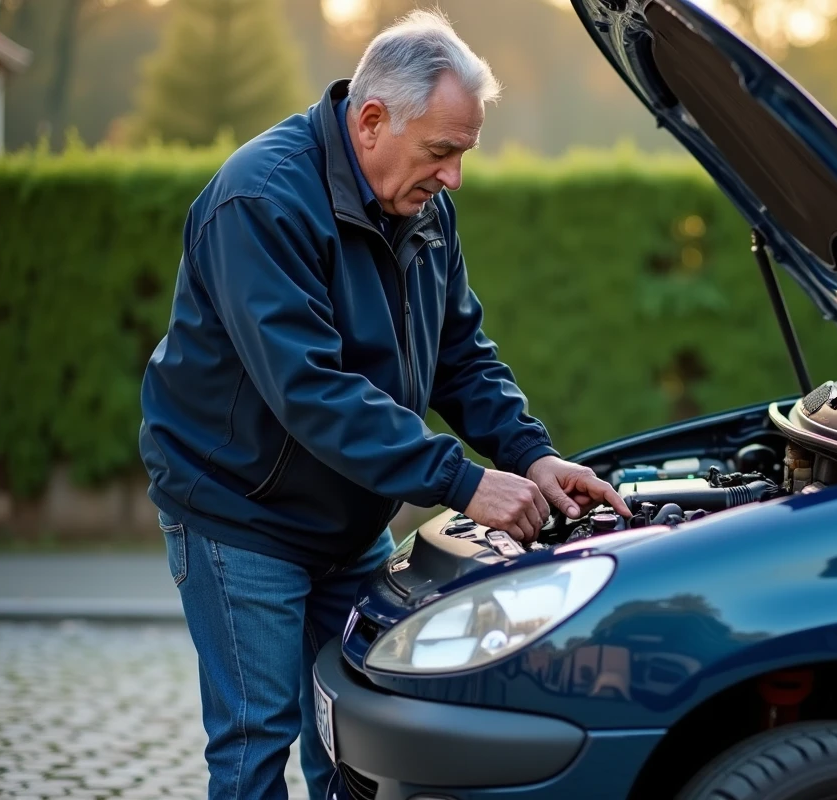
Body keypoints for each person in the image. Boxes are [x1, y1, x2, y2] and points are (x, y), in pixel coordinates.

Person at [137, 9, 629, 800]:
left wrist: (531, 455)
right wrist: (463, 482)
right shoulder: (260, 201)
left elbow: (459, 355)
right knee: (254, 743)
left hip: (348, 520)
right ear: (371, 121)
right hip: (238, 511)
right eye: (442, 152)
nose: (454, 178)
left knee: (356, 740)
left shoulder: (421, 206)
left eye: (463, 155)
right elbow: (312, 391)